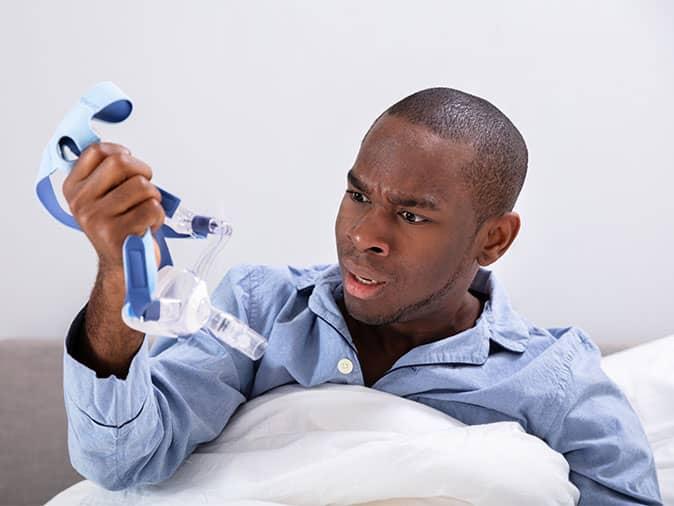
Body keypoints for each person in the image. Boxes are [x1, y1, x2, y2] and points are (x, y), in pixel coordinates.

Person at [61, 88, 662, 504]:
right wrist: (118, 272)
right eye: (358, 196)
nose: (363, 235)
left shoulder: (556, 379)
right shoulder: (258, 307)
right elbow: (121, 465)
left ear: (494, 239)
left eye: (411, 215)